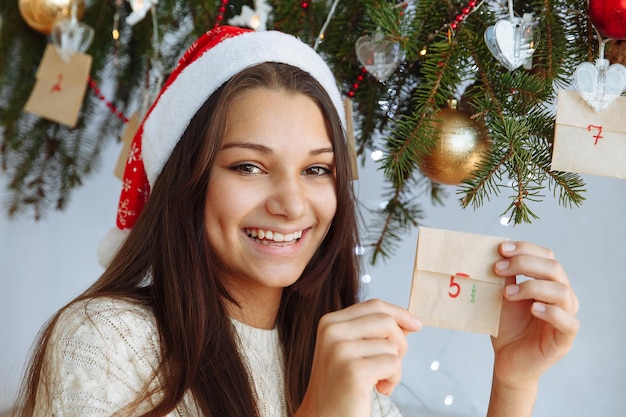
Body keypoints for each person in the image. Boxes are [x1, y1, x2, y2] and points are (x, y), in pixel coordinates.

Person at [13, 26, 579, 417]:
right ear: (189, 180)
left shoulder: (335, 350)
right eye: (249, 166)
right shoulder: (105, 340)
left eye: (316, 170)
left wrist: (513, 380)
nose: (290, 203)